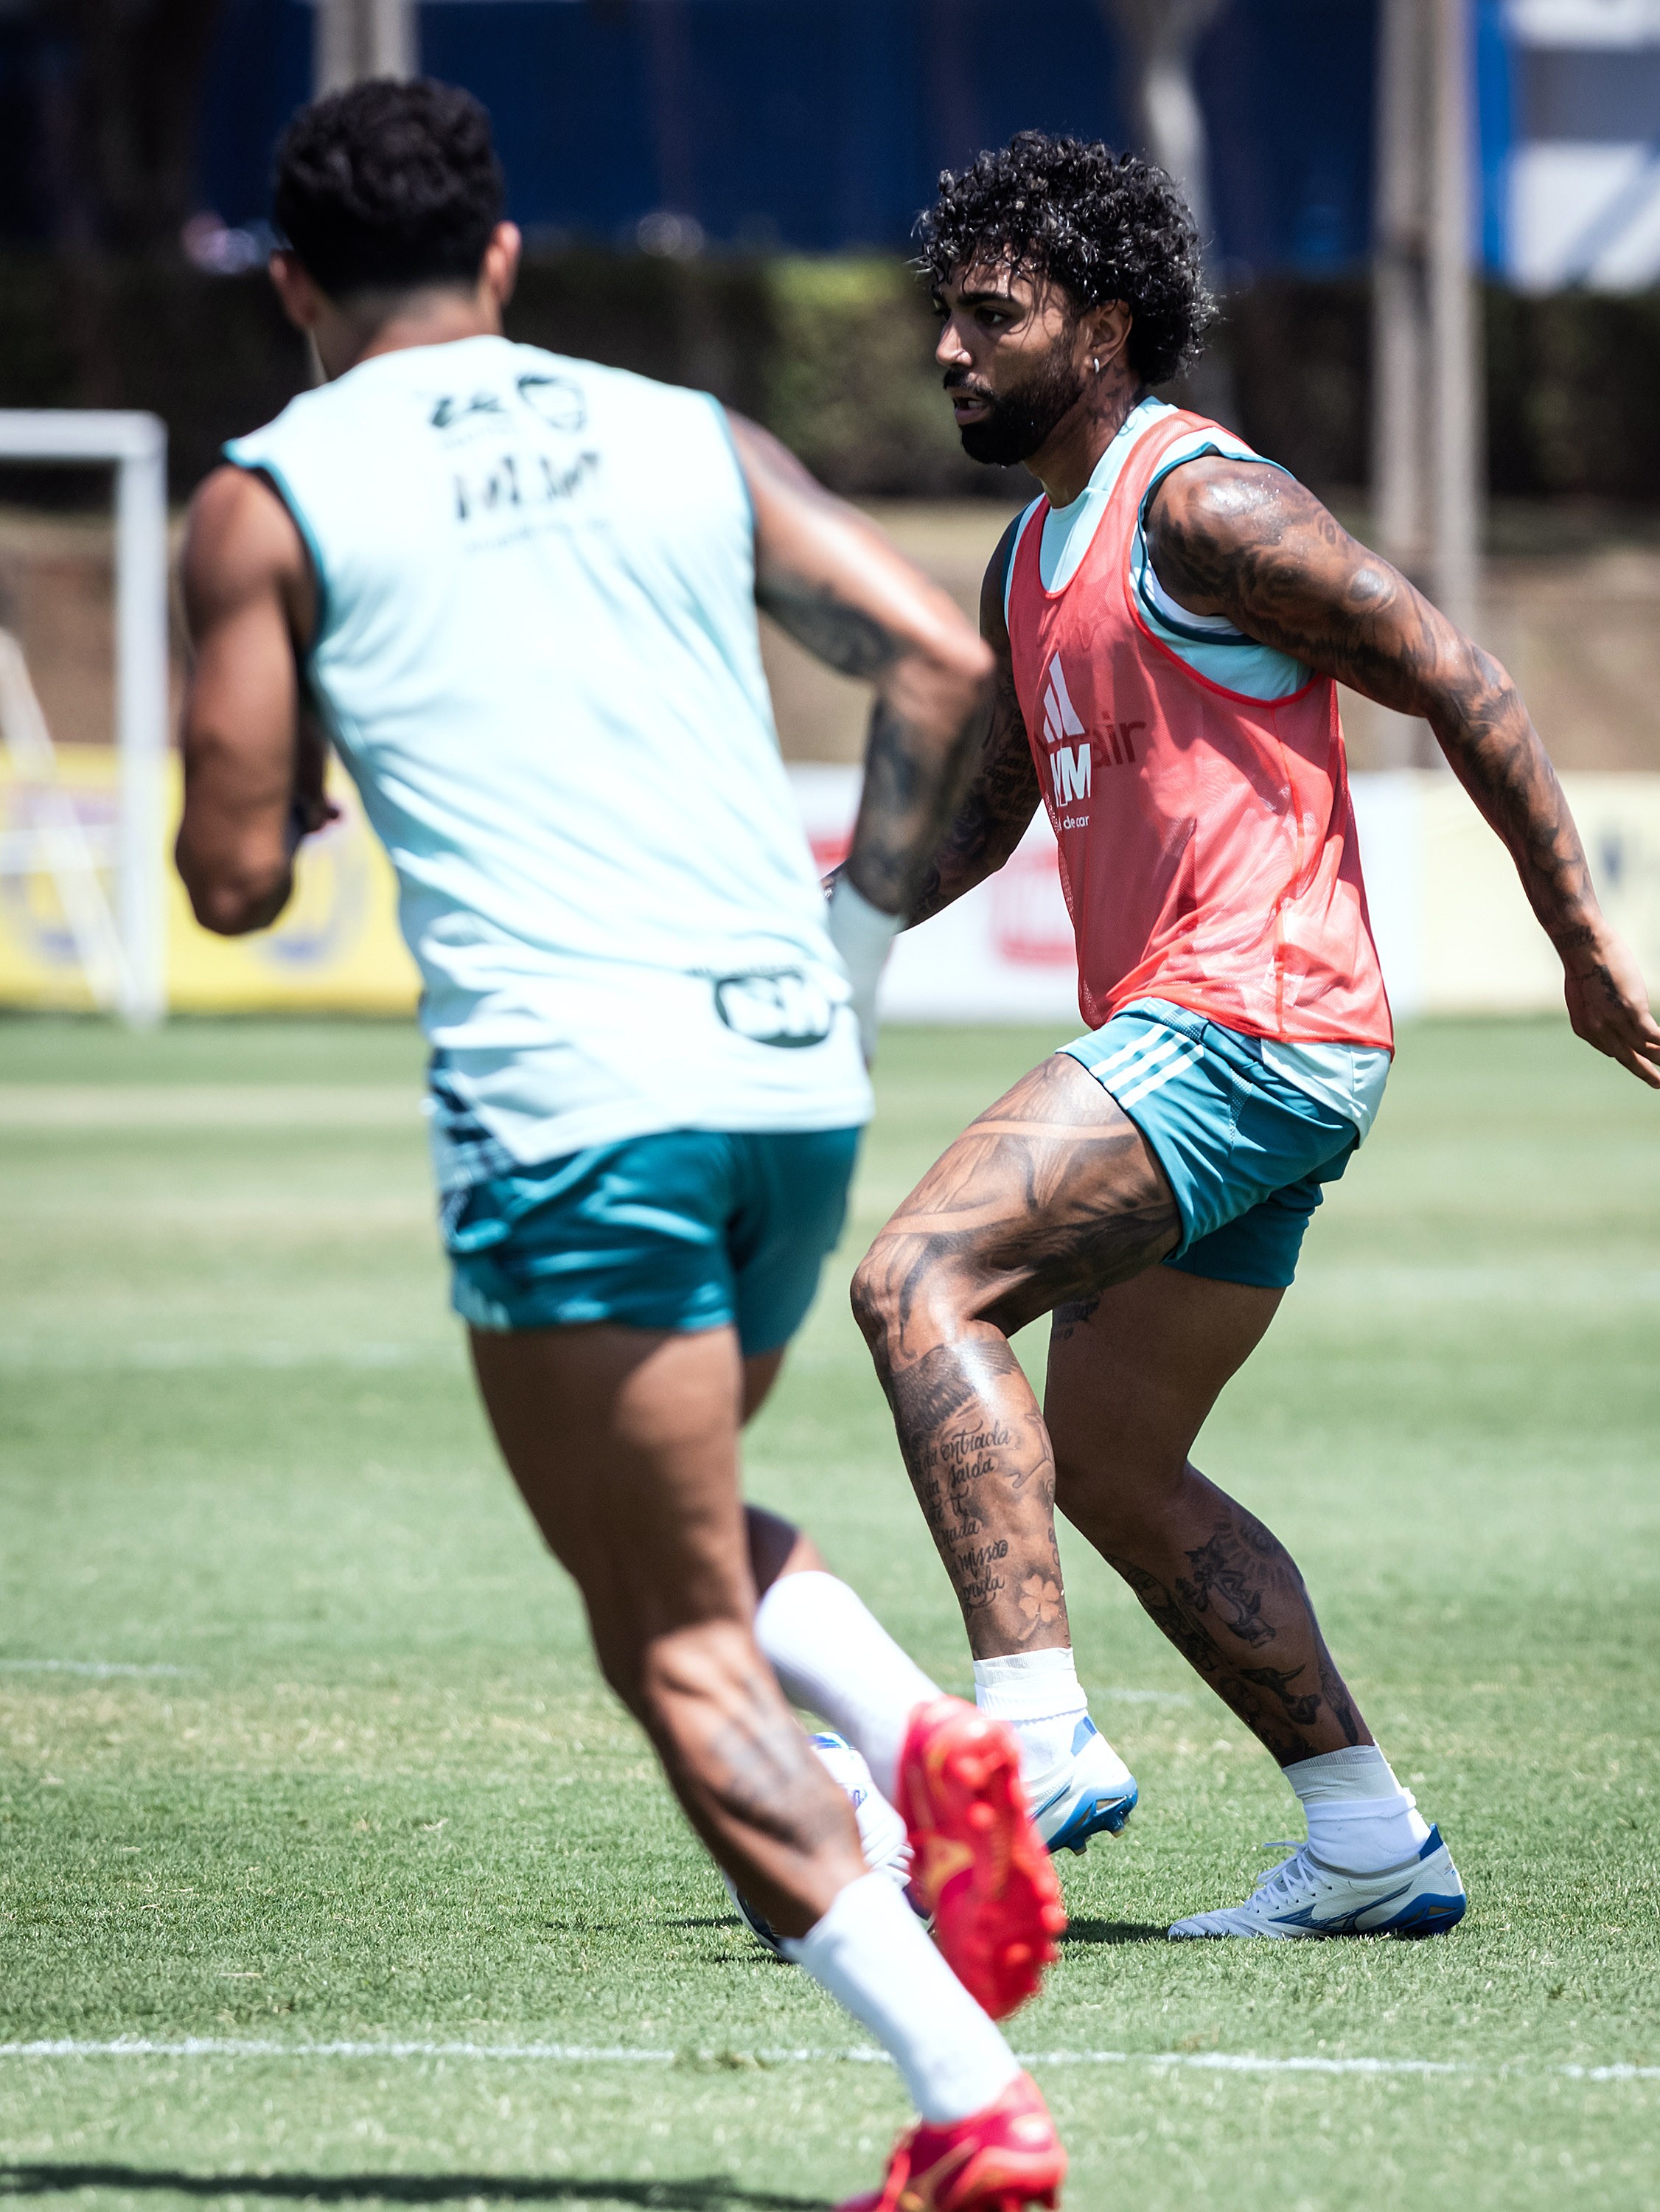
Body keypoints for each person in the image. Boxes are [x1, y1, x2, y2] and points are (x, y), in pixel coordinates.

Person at [175, 80, 1066, 2211]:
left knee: (655, 1627)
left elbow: (223, 882)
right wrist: (846, 942)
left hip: (581, 1099)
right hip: (784, 1069)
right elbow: (944, 664)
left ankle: (967, 2101)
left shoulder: (270, 496)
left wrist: (288, 795)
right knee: (667, 1527)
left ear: (293, 283)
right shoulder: (677, 428)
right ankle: (920, 1740)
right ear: (500, 259)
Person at [845, 133, 1660, 1941]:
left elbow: (1456, 671)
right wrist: (821, 923)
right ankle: (1370, 1837)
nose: (950, 349)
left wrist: (1580, 943)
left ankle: (1031, 1743)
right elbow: (982, 818)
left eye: (994, 314)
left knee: (919, 1282)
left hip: (1248, 1018)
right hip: (1254, 1042)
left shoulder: (1201, 507)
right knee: (1122, 1473)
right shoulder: (1031, 554)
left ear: (1107, 326)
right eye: (948, 314)